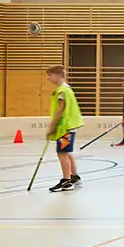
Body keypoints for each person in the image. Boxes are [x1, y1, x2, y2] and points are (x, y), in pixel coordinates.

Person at [45, 65, 84, 193]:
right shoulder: (67, 88)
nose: (48, 78)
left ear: (57, 75)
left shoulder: (62, 91)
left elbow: (60, 110)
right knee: (67, 153)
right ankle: (74, 177)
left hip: (65, 128)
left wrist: (51, 127)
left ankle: (66, 181)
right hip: (69, 126)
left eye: (49, 75)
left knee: (62, 154)